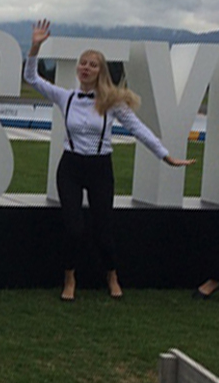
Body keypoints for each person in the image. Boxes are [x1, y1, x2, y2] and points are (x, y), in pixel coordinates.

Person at [26, 20, 195, 301]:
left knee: (103, 229)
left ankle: (112, 275)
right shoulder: (65, 97)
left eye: (92, 64)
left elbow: (139, 129)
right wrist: (35, 47)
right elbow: (32, 78)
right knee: (74, 228)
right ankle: (69, 277)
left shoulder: (112, 103)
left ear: (101, 71)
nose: (86, 68)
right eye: (83, 63)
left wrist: (164, 155)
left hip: (100, 169)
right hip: (70, 167)